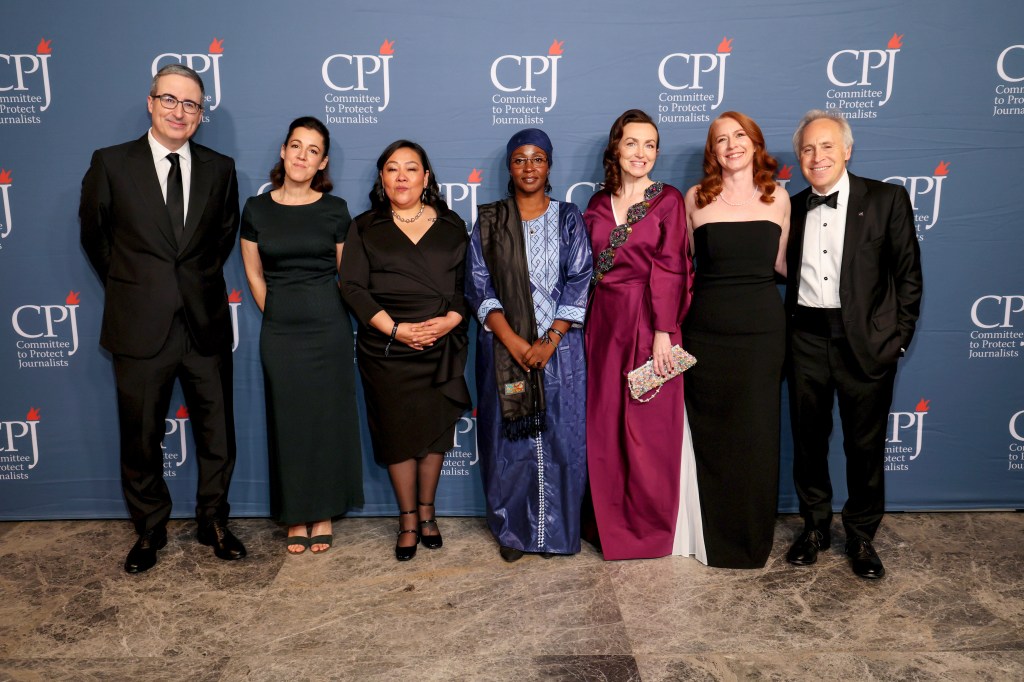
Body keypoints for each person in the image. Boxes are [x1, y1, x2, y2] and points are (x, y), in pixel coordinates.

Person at [79, 64, 244, 573]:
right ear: (150, 103)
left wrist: (186, 287)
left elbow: (220, 240)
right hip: (139, 324)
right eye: (170, 100)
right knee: (140, 434)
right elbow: (95, 238)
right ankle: (150, 527)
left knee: (217, 432)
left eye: (191, 104)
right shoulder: (111, 164)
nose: (179, 112)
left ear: (200, 115)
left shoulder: (220, 168)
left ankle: (213, 520)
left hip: (204, 323)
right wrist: (137, 288)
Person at [785, 110, 923, 579]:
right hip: (805, 337)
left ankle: (861, 535)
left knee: (864, 447)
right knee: (808, 442)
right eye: (807, 149)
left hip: (866, 344)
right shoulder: (792, 205)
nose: (816, 156)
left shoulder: (886, 199)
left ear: (847, 150)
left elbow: (908, 278)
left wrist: (896, 342)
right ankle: (815, 529)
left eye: (826, 146)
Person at [339, 140, 471, 561]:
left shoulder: (452, 225)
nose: (401, 177)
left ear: (426, 177)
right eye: (392, 169)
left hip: (440, 345)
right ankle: (408, 519)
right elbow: (353, 287)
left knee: (434, 433)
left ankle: (429, 513)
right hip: (387, 349)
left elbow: (467, 287)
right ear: (381, 177)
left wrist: (452, 319)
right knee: (397, 434)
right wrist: (396, 330)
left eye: (411, 169)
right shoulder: (364, 226)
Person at [466, 129, 592, 562]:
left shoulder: (569, 217)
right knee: (509, 445)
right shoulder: (489, 221)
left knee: (563, 438)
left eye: (537, 159)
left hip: (562, 351)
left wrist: (550, 339)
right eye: (520, 159)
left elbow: (579, 278)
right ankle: (515, 532)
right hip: (506, 350)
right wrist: (516, 343)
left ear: (550, 165)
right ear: (509, 166)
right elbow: (478, 284)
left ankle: (557, 532)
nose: (529, 167)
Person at [240, 117, 364, 555]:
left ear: (322, 162)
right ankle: (295, 515)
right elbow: (254, 273)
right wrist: (275, 313)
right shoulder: (257, 210)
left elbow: (345, 276)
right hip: (280, 332)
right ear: (283, 150)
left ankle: (324, 510)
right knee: (287, 420)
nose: (301, 155)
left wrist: (323, 315)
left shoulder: (335, 209)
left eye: (312, 150)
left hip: (328, 328)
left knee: (326, 420)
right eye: (296, 145)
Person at [682, 111, 790, 568]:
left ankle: (750, 540)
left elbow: (785, 266)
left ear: (755, 142)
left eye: (739, 135)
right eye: (721, 139)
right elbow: (683, 269)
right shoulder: (695, 198)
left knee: (756, 436)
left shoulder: (780, 197)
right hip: (706, 332)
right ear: (713, 151)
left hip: (763, 334)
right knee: (711, 436)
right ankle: (709, 540)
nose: (731, 145)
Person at [583, 109, 692, 560]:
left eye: (650, 145)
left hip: (651, 322)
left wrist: (665, 331)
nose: (641, 153)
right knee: (604, 426)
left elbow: (672, 266)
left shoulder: (668, 200)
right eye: (632, 143)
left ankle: (649, 531)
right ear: (616, 148)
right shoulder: (594, 204)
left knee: (648, 431)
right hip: (603, 326)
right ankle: (606, 526)